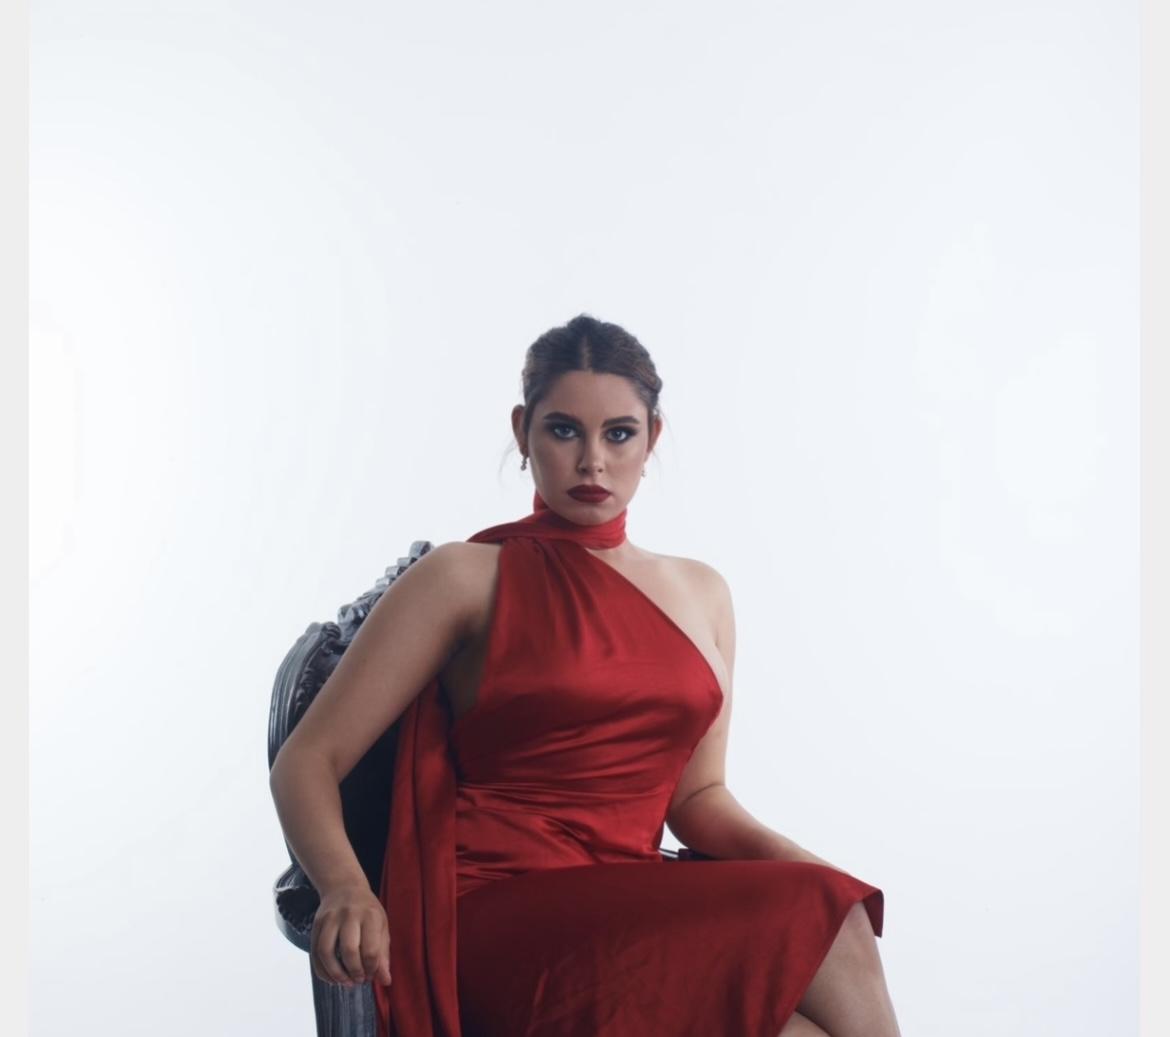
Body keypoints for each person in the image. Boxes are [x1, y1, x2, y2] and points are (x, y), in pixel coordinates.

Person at [269, 314, 901, 1037]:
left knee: (830, 927)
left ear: (652, 438)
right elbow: (307, 760)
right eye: (564, 430)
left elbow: (699, 799)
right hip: (497, 912)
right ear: (523, 432)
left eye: (619, 434)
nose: (593, 461)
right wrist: (345, 887)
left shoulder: (702, 592)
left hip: (634, 899)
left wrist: (817, 876)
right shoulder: (463, 578)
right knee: (825, 916)